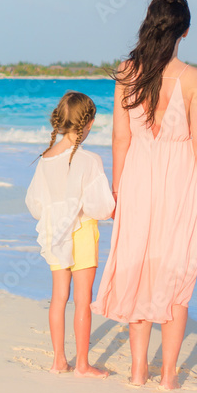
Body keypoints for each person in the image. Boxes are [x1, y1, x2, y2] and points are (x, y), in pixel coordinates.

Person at [91, 0, 197, 390]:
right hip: (181, 184)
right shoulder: (194, 78)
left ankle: (138, 370)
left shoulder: (128, 71)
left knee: (140, 269)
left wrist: (117, 187)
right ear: (185, 31)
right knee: (176, 272)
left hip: (138, 180)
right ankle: (168, 376)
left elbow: (120, 139)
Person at [26, 91, 114, 378]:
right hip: (83, 231)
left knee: (58, 297)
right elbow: (100, 208)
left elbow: (35, 204)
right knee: (82, 299)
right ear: (87, 123)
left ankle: (59, 361)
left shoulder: (46, 158)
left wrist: (56, 216)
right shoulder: (90, 160)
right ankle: (83, 365)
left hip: (54, 233)